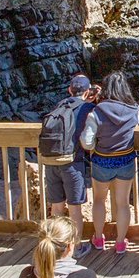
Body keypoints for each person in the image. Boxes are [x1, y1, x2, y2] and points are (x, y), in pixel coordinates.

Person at [78, 72, 139, 254]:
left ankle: (98, 238)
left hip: (102, 161)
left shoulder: (97, 112)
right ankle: (120, 243)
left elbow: (87, 142)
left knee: (99, 199)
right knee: (122, 203)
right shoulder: (134, 110)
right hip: (126, 159)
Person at [39, 73, 95, 255]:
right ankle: (76, 247)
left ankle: (55, 246)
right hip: (73, 163)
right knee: (74, 208)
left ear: (70, 90)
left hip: (51, 161)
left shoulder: (60, 105)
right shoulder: (88, 108)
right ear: (87, 92)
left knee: (56, 206)